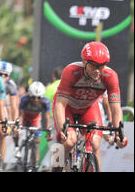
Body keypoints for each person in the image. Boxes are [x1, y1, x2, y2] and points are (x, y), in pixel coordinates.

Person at [53, 41, 128, 172]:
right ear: (84, 63)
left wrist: (119, 133)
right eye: (93, 66)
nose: (98, 71)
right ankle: (55, 167)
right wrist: (62, 130)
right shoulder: (71, 71)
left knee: (95, 143)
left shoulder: (111, 76)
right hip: (67, 108)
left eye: (102, 66)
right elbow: (60, 105)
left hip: (88, 108)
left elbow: (116, 109)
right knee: (70, 141)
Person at [13, 81, 53, 165]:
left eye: (39, 97)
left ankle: (34, 165)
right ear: (29, 95)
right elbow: (20, 115)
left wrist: (48, 130)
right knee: (15, 130)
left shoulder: (45, 102)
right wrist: (18, 127)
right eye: (33, 97)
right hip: (25, 118)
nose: (36, 100)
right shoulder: (24, 99)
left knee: (36, 144)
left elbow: (47, 117)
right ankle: (16, 147)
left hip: (35, 120)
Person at [0, 60, 18, 164]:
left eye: (5, 75)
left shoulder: (11, 85)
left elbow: (14, 107)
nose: (2, 77)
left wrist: (14, 122)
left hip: (3, 107)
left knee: (3, 134)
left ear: (9, 76)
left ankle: (1, 163)